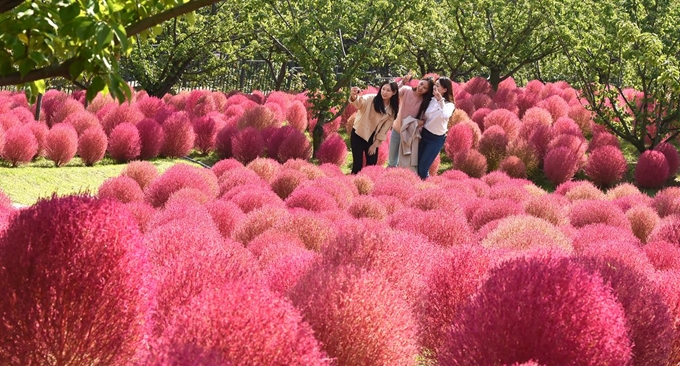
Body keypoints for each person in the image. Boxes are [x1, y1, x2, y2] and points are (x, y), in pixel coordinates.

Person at [348, 81, 399, 174]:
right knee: (357, 165)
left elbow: (384, 130)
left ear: (394, 92)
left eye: (388, 90)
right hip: (359, 133)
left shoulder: (392, 110)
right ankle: (353, 185)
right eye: (383, 89)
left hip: (373, 137)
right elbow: (359, 103)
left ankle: (368, 185)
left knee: (372, 165)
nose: (384, 92)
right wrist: (354, 96)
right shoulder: (371, 98)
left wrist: (375, 145)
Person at [387, 76, 435, 168]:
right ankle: (389, 178)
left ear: (428, 91)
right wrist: (402, 83)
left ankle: (400, 179)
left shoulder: (425, 102)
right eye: (421, 84)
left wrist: (413, 123)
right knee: (392, 161)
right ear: (419, 81)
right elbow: (393, 95)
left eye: (425, 88)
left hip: (409, 135)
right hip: (396, 130)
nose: (421, 88)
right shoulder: (406, 90)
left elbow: (424, 120)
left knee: (404, 163)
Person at [417, 76, 455, 179]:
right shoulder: (431, 100)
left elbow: (445, 115)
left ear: (445, 89)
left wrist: (440, 100)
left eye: (438, 86)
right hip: (424, 134)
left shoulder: (449, 105)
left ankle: (426, 189)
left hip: (436, 139)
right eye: (435, 85)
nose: (435, 87)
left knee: (423, 168)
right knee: (417, 165)